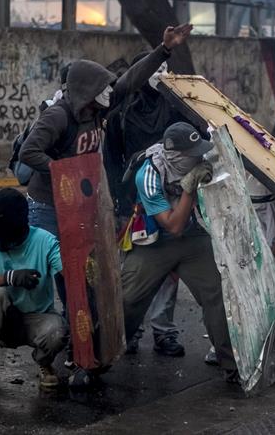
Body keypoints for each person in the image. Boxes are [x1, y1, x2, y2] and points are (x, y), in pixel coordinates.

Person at [19, 24, 193, 373]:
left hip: (79, 206)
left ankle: (84, 343)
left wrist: (163, 49)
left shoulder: (98, 111)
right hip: (49, 207)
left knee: (86, 277)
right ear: (86, 90)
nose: (109, 93)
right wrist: (62, 171)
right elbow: (28, 151)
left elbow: (129, 81)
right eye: (102, 88)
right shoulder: (59, 116)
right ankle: (55, 342)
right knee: (60, 276)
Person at [122, 122, 238, 382]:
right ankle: (99, 359)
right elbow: (172, 225)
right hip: (155, 241)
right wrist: (189, 187)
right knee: (128, 299)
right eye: (192, 154)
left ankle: (234, 364)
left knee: (217, 295)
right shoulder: (149, 173)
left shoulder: (199, 162)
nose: (198, 158)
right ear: (175, 156)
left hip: (193, 238)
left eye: (200, 152)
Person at [104, 54, 187, 357]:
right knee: (134, 269)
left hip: (172, 197)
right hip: (133, 202)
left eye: (166, 68)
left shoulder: (177, 107)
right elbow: (111, 159)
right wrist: (117, 202)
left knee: (169, 266)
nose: (161, 74)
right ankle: (132, 330)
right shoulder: (122, 113)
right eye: (156, 69)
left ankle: (164, 330)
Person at [0, 188, 66, 395]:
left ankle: (44, 363)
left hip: (38, 318)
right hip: (4, 320)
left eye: (2, 219)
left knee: (59, 332)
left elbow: (69, 275)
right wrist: (5, 278)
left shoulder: (45, 240)